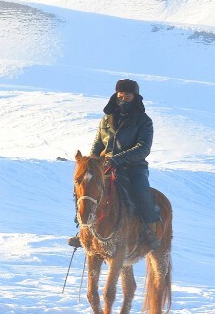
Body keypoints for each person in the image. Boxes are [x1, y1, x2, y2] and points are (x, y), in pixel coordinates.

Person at [68, 78, 161, 250]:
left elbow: (143, 148)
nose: (123, 98)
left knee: (141, 192)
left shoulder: (144, 121)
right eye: (121, 95)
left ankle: (149, 231)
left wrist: (118, 158)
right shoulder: (106, 119)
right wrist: (92, 164)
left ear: (135, 97)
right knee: (85, 189)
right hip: (106, 167)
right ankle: (82, 229)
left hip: (134, 167)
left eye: (128, 95)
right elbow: (97, 146)